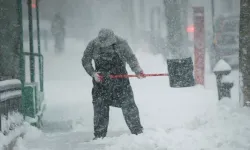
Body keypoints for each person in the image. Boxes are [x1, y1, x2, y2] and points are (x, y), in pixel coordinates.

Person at [81, 28, 146, 140]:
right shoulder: (93, 44)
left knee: (129, 106)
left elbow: (131, 58)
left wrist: (137, 70)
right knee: (100, 109)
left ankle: (138, 133)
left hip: (121, 82)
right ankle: (99, 136)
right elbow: (85, 60)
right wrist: (93, 73)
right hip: (101, 83)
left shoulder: (121, 43)